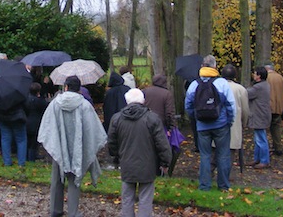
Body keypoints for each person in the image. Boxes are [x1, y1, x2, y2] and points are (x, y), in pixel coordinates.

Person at [38, 75, 107, 217]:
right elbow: (93, 130)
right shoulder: (85, 105)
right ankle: (73, 212)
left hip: (59, 146)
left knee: (57, 178)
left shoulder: (55, 103)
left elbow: (47, 126)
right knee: (75, 178)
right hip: (78, 148)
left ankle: (55, 210)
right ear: (79, 89)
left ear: (66, 87)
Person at [107, 88, 172, 217]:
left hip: (127, 162)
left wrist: (117, 156)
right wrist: (165, 162)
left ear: (127, 101)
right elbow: (162, 143)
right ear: (143, 100)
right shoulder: (152, 118)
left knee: (127, 197)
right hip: (147, 163)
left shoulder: (117, 118)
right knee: (145, 198)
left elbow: (111, 142)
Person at [185, 54, 236, 191]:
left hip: (202, 126)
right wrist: (229, 121)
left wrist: (195, 118)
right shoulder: (222, 83)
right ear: (215, 67)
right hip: (221, 125)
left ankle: (204, 185)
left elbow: (188, 105)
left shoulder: (194, 84)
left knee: (205, 156)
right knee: (223, 155)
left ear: (202, 66)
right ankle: (223, 185)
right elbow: (231, 105)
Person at [220, 65, 248, 163]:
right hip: (234, 123)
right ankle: (227, 174)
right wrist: (244, 123)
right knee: (230, 152)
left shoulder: (217, 86)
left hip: (217, 123)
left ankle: (210, 173)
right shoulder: (240, 89)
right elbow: (245, 109)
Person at [246, 66, 271, 169]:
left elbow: (246, 93)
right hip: (262, 115)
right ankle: (258, 158)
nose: (254, 75)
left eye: (255, 73)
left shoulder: (258, 88)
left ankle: (264, 160)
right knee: (258, 138)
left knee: (261, 138)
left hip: (259, 115)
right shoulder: (265, 85)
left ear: (259, 76)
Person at [265, 62, 283, 156]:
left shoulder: (266, 78)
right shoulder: (280, 78)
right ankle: (278, 147)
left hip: (269, 106)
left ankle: (265, 148)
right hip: (279, 106)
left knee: (265, 128)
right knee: (276, 128)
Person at [25, 82, 48, 162]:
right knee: (33, 143)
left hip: (27, 122)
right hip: (36, 123)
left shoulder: (26, 99)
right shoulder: (40, 101)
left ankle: (26, 156)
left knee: (27, 141)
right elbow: (45, 107)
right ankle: (32, 158)